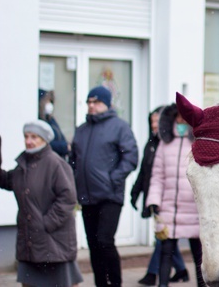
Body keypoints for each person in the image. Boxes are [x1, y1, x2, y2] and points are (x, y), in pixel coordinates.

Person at [69, 85, 138, 287]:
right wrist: (75, 179)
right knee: (93, 245)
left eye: (96, 102)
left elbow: (131, 156)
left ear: (107, 104)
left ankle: (114, 283)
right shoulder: (82, 129)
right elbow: (73, 159)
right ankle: (101, 283)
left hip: (110, 196)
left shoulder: (119, 127)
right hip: (87, 196)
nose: (92, 105)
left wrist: (112, 178)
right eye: (90, 102)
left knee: (104, 241)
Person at [0, 120, 83, 286]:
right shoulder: (23, 164)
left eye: (34, 137)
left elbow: (67, 198)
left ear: (44, 139)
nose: (29, 141)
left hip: (54, 242)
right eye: (26, 137)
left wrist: (46, 223)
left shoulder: (55, 164)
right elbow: (8, 181)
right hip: (31, 241)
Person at [146, 104, 205, 287]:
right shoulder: (165, 144)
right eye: (177, 117)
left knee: (199, 256)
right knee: (165, 251)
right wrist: (154, 201)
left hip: (193, 209)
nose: (180, 121)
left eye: (184, 118)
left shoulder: (198, 144)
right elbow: (157, 176)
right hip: (169, 208)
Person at [131, 106, 188, 285]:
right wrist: (136, 193)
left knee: (163, 240)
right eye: (151, 122)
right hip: (156, 198)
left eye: (157, 121)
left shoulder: (171, 143)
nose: (154, 125)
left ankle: (152, 273)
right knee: (166, 239)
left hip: (170, 201)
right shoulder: (152, 144)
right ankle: (181, 270)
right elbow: (146, 172)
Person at [38, 89, 70, 159]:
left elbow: (60, 136)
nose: (49, 104)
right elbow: (43, 144)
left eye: (51, 101)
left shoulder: (50, 119)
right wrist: (64, 147)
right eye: (47, 101)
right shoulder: (39, 122)